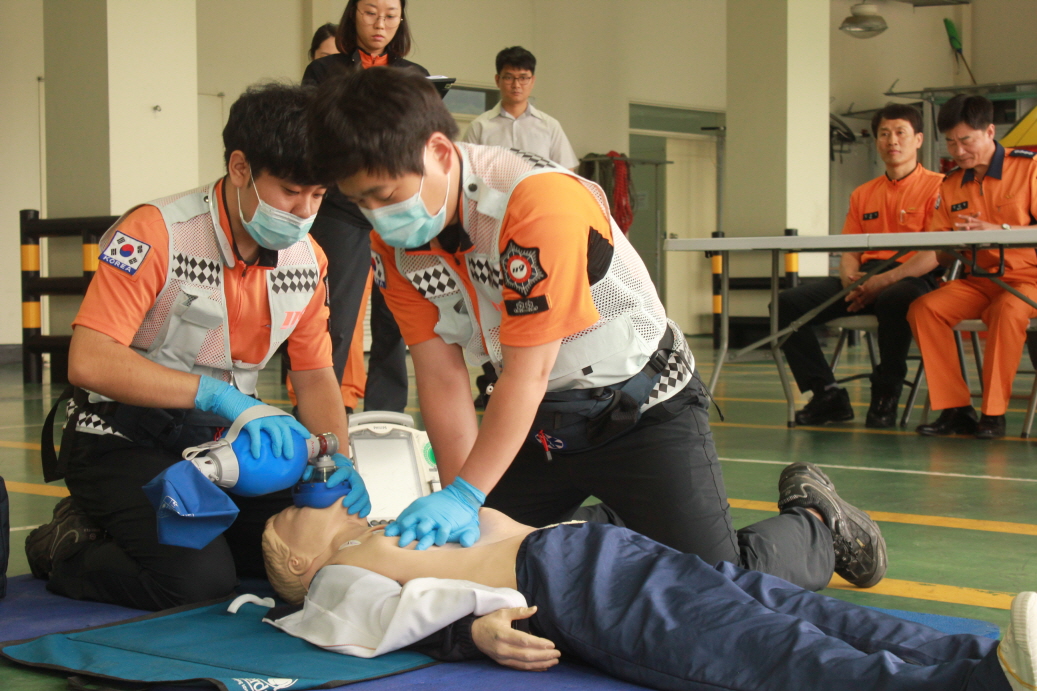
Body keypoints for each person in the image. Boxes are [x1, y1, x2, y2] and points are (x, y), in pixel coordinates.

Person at [306, 66, 887, 593]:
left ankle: (816, 523)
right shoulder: (397, 243)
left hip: (641, 409)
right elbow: (440, 376)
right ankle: (622, 520)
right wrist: (470, 514)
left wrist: (464, 495)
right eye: (359, 203)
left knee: (714, 589)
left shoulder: (536, 202)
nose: (376, 215)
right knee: (496, 569)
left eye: (383, 194)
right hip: (538, 427)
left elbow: (529, 370)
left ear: (437, 150)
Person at [23, 83, 369, 612]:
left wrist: (334, 459)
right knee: (196, 582)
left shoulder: (308, 260)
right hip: (121, 437)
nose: (303, 212)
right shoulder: (157, 232)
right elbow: (89, 360)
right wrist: (218, 395)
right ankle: (68, 545)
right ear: (240, 168)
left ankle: (192, 533)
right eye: (290, 191)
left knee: (307, 551)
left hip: (219, 444)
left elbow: (316, 373)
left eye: (318, 195)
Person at [260, 469, 1032, 691]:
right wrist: (472, 631)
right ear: (295, 561)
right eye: (295, 514)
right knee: (761, 647)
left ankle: (985, 660)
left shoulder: (370, 533)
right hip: (571, 583)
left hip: (595, 548)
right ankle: (969, 685)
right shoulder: (335, 579)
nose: (321, 502)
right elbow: (371, 625)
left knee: (792, 608)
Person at [778, 104, 943, 429]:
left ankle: (887, 391)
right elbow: (850, 251)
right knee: (786, 304)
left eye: (900, 133)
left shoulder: (939, 186)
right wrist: (851, 283)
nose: (892, 141)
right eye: (884, 134)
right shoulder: (863, 194)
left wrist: (884, 281)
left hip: (913, 277)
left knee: (895, 298)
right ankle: (827, 394)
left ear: (918, 139)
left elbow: (934, 253)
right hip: (864, 279)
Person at [300, 0, 428, 415]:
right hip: (342, 207)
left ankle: (387, 415)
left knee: (398, 318)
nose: (380, 23)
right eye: (371, 12)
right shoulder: (324, 72)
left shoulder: (415, 76)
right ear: (353, 13)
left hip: (398, 210)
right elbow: (312, 136)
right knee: (335, 318)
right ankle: (322, 413)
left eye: (391, 15)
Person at [908, 94, 1037, 440]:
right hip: (978, 281)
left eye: (966, 140)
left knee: (1007, 311)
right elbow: (939, 252)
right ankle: (955, 409)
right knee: (925, 309)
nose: (958, 151)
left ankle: (993, 414)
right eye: (951, 142)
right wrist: (954, 244)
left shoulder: (1029, 169)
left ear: (990, 131)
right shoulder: (950, 184)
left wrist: (1000, 231)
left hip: (1027, 280)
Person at [462, 46, 578, 171]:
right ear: (497, 80)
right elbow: (464, 172)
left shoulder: (550, 126)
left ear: (532, 81)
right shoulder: (479, 127)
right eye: (509, 77)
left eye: (523, 78)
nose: (516, 85)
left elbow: (567, 172)